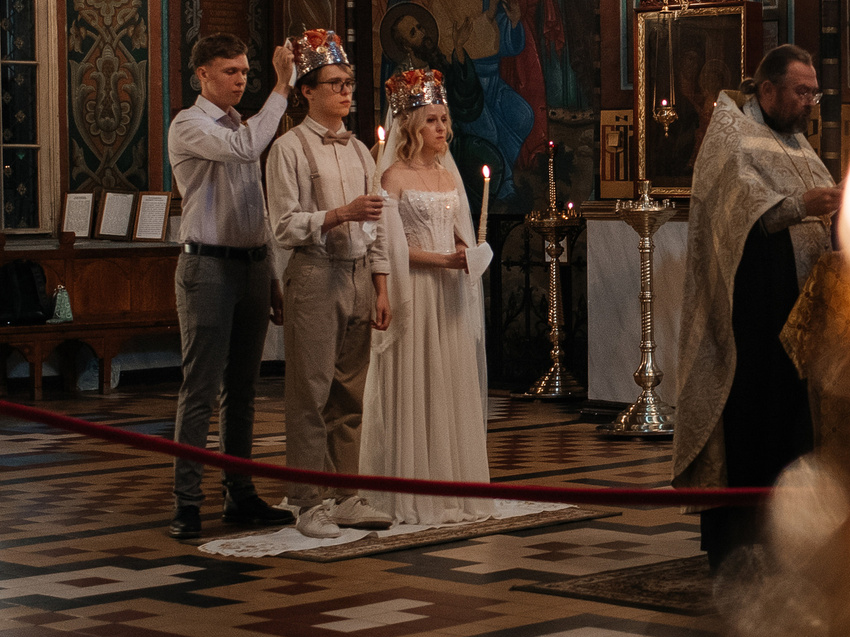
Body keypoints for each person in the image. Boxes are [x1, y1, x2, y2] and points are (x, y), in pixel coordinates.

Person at [353, 70, 557, 529]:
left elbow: (461, 234)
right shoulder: (392, 176)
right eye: (432, 121)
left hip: (448, 295)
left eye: (445, 120)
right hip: (416, 291)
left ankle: (450, 481)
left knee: (447, 377)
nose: (442, 128)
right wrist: (443, 262)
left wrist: (466, 251)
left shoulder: (449, 177)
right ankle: (409, 487)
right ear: (410, 127)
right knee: (415, 377)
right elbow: (391, 245)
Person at [671, 44, 840, 571]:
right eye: (800, 91)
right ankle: (744, 539)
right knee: (756, 419)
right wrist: (800, 207)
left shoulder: (795, 142)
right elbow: (739, 219)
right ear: (766, 89)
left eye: (814, 92)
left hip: (799, 310)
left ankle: (796, 535)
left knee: (795, 422)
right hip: (752, 314)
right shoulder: (731, 137)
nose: (809, 102)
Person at [165, 34, 299, 541]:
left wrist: (271, 276)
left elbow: (255, 204)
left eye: (245, 72)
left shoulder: (243, 122)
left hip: (250, 266)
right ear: (202, 74)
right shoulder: (189, 124)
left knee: (242, 391)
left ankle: (240, 496)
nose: (241, 81)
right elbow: (246, 149)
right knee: (199, 390)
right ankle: (187, 502)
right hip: (208, 269)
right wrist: (283, 86)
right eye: (230, 72)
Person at [266, 32, 385, 538]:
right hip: (314, 273)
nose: (346, 92)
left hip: (358, 274)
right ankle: (307, 499)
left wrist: (380, 286)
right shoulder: (287, 149)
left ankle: (346, 493)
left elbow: (377, 222)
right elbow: (284, 225)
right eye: (335, 83)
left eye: (349, 83)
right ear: (307, 91)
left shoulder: (360, 149)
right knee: (310, 392)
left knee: (350, 393)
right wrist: (339, 214)